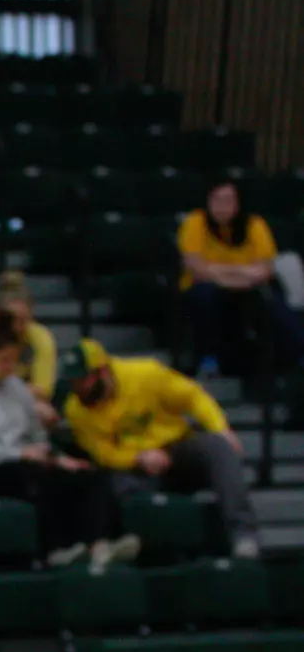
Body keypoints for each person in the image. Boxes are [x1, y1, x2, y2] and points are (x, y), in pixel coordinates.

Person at [0, 310, 135, 567]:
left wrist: (57, 458)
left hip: (21, 461)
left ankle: (101, 544)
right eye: (4, 360)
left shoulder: (15, 387)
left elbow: (36, 435)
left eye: (13, 361)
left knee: (87, 473)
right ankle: (54, 550)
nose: (10, 368)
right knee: (34, 476)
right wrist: (20, 454)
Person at [62, 338, 260, 559]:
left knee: (218, 447)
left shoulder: (145, 373)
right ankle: (140, 547)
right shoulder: (75, 410)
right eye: (73, 381)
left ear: (102, 372)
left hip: (177, 448)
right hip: (137, 466)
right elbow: (103, 453)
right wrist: (138, 458)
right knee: (116, 484)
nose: (77, 387)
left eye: (82, 379)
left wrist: (220, 428)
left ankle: (243, 535)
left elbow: (192, 396)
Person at [179, 178, 302, 378]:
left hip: (248, 289)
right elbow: (196, 268)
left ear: (238, 203)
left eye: (228, 200)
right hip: (208, 289)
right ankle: (208, 360)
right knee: (205, 295)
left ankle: (295, 357)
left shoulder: (255, 224)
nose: (221, 206)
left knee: (272, 300)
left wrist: (219, 271)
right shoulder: (195, 222)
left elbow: (264, 270)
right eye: (216, 200)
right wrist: (241, 272)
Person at [0, 271, 58, 404]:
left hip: (26, 405)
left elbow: (42, 392)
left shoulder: (41, 339)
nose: (17, 327)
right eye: (11, 320)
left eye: (23, 320)